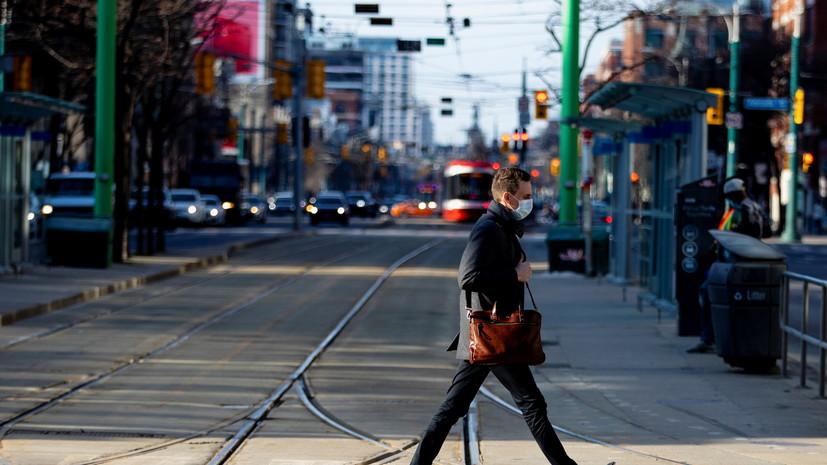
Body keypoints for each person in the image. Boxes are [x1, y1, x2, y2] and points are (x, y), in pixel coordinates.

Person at [410, 167, 604, 465]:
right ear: (507, 197)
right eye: (525, 196)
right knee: (531, 403)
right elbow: (468, 277)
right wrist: (514, 274)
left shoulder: (502, 227)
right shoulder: (488, 228)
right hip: (493, 333)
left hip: (488, 336)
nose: (530, 201)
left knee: (454, 408)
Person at [688, 177, 770, 354]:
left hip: (734, 262)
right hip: (741, 261)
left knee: (710, 292)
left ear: (734, 193)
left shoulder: (742, 209)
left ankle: (709, 338)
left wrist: (724, 242)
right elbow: (766, 230)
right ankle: (713, 337)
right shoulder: (755, 206)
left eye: (729, 196)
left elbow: (742, 234)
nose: (728, 200)